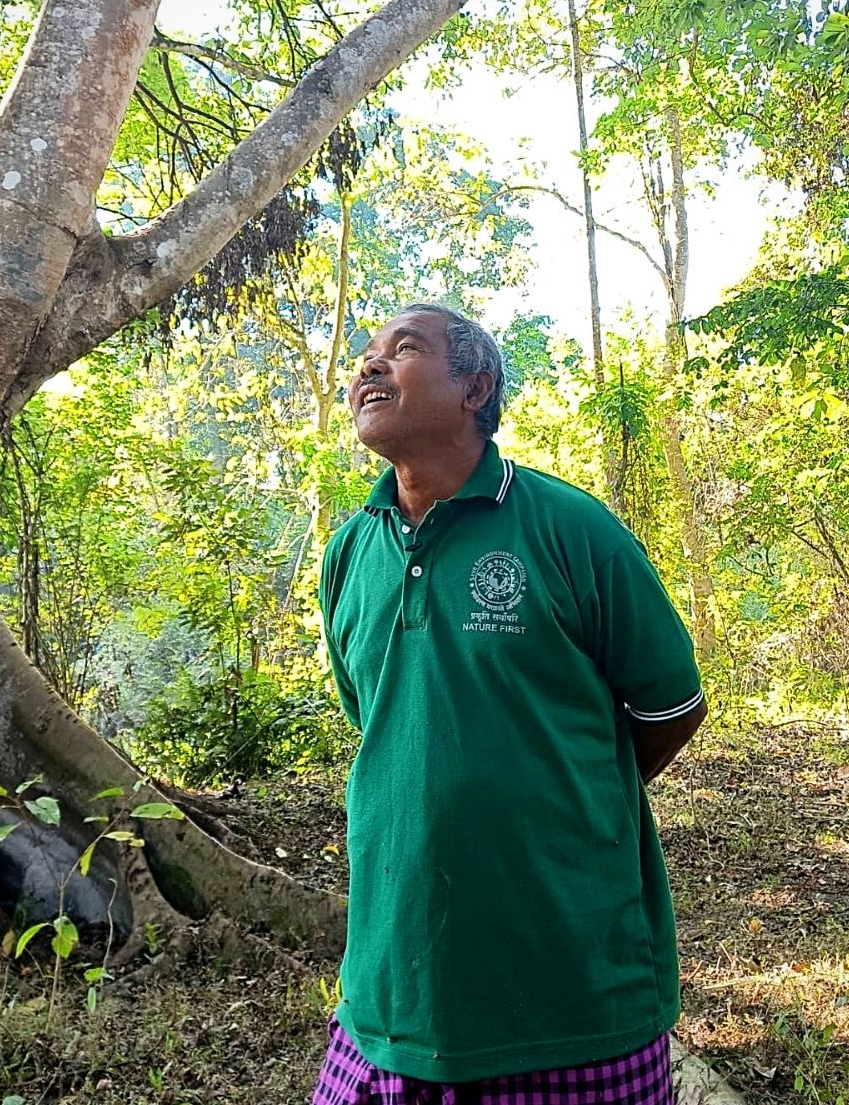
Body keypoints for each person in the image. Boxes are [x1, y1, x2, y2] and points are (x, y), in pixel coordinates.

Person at [314, 304, 706, 1105]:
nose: (369, 366)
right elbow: (384, 721)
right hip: (394, 993)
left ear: (475, 387)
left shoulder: (571, 527)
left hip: (574, 993)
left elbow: (671, 705)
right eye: (366, 355)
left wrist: (567, 791)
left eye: (404, 349)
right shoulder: (351, 550)